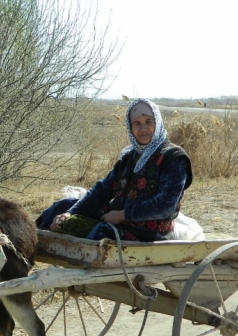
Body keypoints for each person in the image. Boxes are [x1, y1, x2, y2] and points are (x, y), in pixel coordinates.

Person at [37, 98, 192, 242]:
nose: (143, 128)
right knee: (62, 207)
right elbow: (102, 190)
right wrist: (70, 212)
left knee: (91, 229)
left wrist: (122, 215)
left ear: (157, 123)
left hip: (147, 231)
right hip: (118, 219)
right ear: (130, 128)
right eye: (136, 123)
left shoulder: (173, 157)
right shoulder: (129, 157)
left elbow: (164, 205)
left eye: (148, 121)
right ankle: (28, 246)